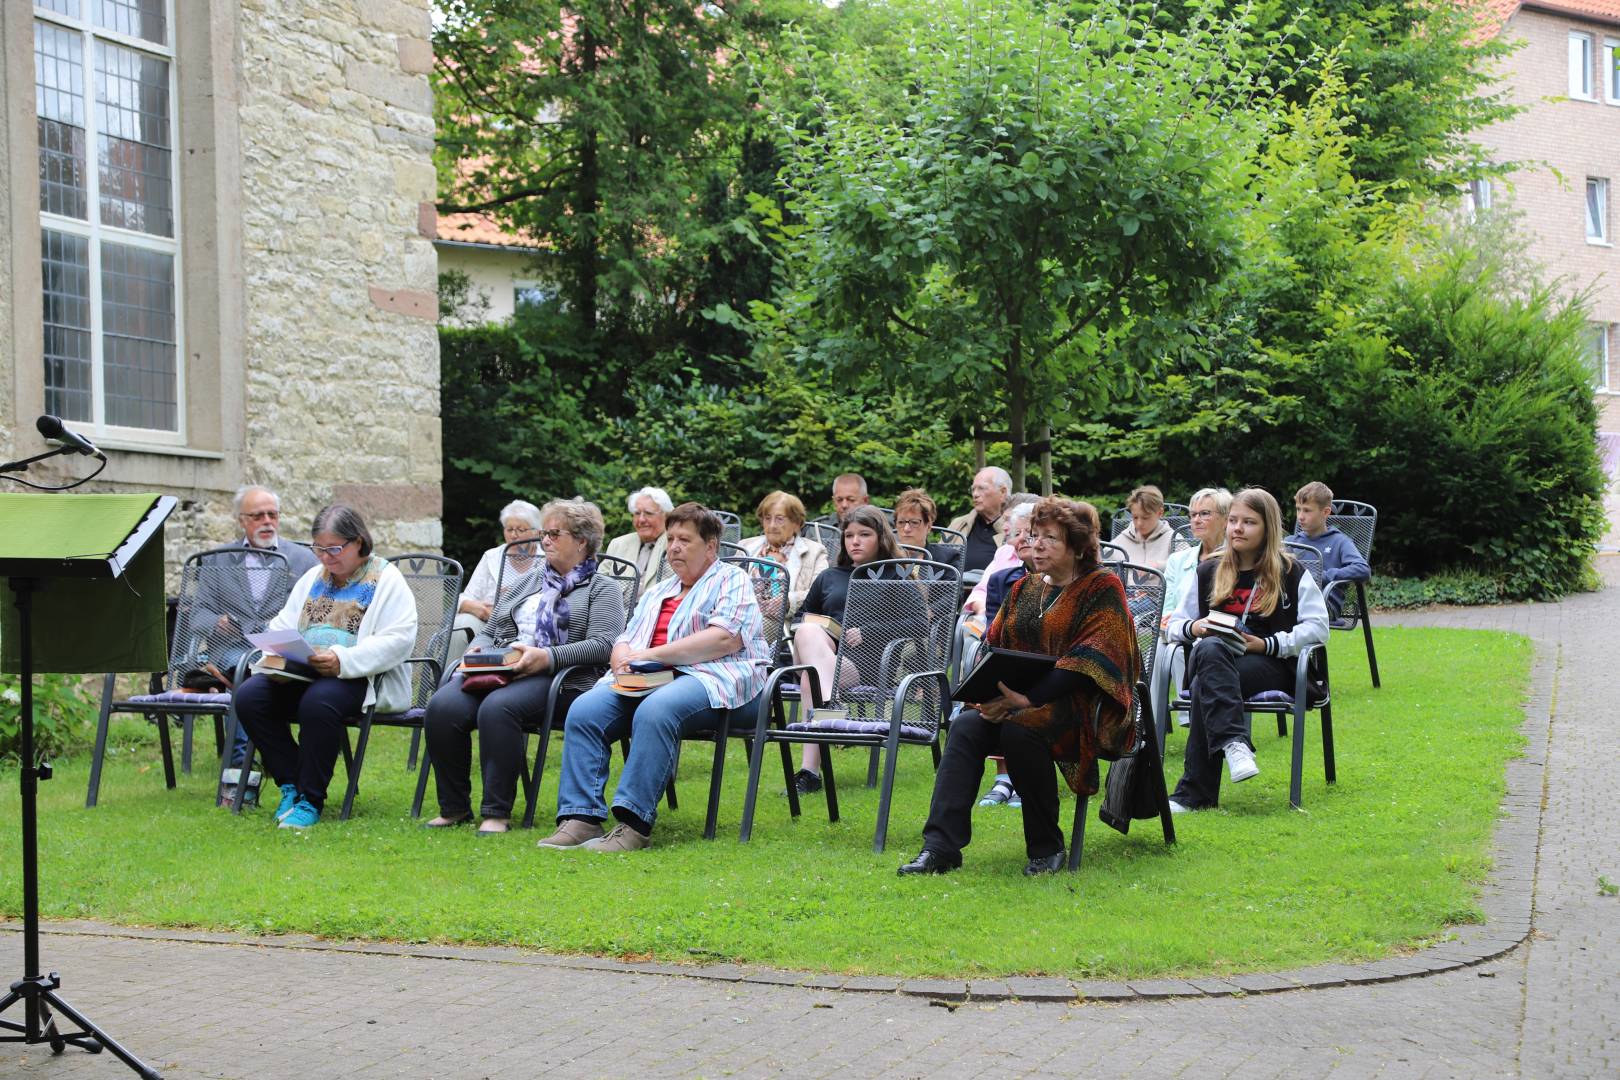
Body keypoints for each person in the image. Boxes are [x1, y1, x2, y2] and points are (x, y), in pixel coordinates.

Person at [899, 498, 1140, 876]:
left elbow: (1090, 659)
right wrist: (987, 697)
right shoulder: (1024, 589)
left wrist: (1026, 700)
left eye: (1050, 538)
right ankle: (940, 847)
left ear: (1077, 547)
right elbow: (995, 648)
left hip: (1080, 706)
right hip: (1015, 702)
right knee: (964, 726)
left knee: (1020, 727)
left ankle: (1046, 846)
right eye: (1034, 535)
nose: (1037, 544)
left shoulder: (1102, 587)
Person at [538, 503, 770, 852]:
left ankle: (633, 825)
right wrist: (621, 660)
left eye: (684, 540)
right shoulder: (660, 590)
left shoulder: (731, 580)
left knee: (657, 710)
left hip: (715, 680)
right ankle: (581, 817)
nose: (673, 547)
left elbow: (723, 639)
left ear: (710, 547)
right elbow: (625, 638)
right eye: (671, 538)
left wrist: (650, 656)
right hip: (647, 680)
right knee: (585, 710)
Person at [422, 499, 625, 835]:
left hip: (561, 677)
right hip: (503, 667)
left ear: (581, 541)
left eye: (554, 534)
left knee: (498, 709)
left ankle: (496, 812)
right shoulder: (530, 581)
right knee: (442, 706)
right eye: (544, 533)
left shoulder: (602, 589)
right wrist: (479, 650)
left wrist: (548, 657)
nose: (544, 541)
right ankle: (454, 807)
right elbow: (492, 629)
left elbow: (605, 644)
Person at [232, 505, 419, 830]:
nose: (326, 558)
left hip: (358, 676)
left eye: (334, 549)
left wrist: (341, 660)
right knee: (250, 696)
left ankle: (311, 800)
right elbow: (283, 623)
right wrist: (278, 649)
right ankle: (291, 783)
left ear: (358, 542)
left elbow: (400, 639)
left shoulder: (387, 579)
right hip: (302, 674)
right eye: (319, 549)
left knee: (319, 702)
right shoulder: (312, 578)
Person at [1164, 488, 1329, 812]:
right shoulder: (1208, 571)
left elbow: (1318, 627)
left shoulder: (1290, 572)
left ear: (1267, 528)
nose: (1237, 528)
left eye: (1249, 522)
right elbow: (1175, 623)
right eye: (1234, 521)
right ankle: (1234, 742)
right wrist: (1195, 628)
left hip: (1270, 664)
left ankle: (1194, 794)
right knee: (1211, 647)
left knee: (1202, 685)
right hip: (1216, 658)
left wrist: (1268, 643)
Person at [785, 504, 919, 794]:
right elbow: (801, 618)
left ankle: (809, 772)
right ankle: (831, 710)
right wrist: (825, 628)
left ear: (880, 537)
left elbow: (919, 623)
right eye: (849, 535)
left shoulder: (894, 575)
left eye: (864, 534)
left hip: (868, 663)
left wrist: (868, 631)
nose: (854, 541)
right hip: (820, 653)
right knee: (809, 630)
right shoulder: (830, 576)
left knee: (811, 677)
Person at [192, 486, 320, 767]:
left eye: (272, 515)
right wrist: (217, 622)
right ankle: (241, 763)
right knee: (244, 667)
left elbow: (316, 613)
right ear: (241, 520)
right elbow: (197, 615)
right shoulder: (218, 560)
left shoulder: (304, 560)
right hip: (231, 651)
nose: (267, 522)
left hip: (283, 650)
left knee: (255, 670)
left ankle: (253, 762)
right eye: (257, 516)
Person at [967, 501, 1036, 809]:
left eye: (1030, 533)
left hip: (1043, 673)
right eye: (1016, 533)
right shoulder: (1002, 578)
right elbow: (995, 634)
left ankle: (1021, 778)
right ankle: (1005, 778)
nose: (1022, 539)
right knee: (997, 675)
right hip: (1010, 661)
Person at [1155, 488, 1232, 728]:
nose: (1196, 520)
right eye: (1193, 514)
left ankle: (1190, 715)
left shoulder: (1235, 558)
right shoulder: (1179, 560)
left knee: (1178, 651)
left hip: (1216, 634)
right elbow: (1167, 604)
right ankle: (1150, 723)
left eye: (1204, 514)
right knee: (1156, 649)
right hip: (1180, 629)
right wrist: (1166, 619)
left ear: (1225, 518)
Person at [449, 500, 542, 666]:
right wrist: (475, 608)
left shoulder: (546, 559)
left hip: (526, 625)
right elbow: (465, 598)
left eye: (521, 530)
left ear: (537, 532)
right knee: (461, 623)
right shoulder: (492, 557)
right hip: (489, 623)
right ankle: (453, 676)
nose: (514, 535)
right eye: (509, 529)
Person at [738, 491, 829, 616]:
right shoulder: (745, 546)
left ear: (796, 523)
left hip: (782, 623)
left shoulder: (815, 552)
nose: (772, 525)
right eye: (767, 518)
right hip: (740, 614)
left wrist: (788, 601)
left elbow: (819, 593)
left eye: (780, 519)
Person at [1289, 481, 1370, 619]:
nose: (1300, 516)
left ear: (1326, 512)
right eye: (1298, 509)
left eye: (1307, 510)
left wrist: (1323, 576)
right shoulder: (1291, 542)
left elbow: (1362, 569)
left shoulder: (1339, 542)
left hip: (1324, 605)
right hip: (1290, 602)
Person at [605, 487, 673, 590]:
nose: (641, 520)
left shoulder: (674, 545)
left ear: (666, 516)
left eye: (648, 513)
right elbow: (599, 583)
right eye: (637, 513)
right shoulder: (618, 544)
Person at [947, 466, 1012, 573]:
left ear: (1002, 492)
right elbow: (938, 562)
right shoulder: (958, 524)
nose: (975, 494)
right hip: (954, 588)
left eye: (981, 488)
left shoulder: (1015, 529)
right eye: (973, 489)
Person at [1112, 485, 1175, 570]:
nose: (1139, 523)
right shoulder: (1121, 540)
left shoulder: (1173, 538)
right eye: (1135, 517)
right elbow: (1101, 562)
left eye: (1145, 517)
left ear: (1160, 513)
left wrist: (1158, 566)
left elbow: (1188, 564)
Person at [891, 488, 958, 566]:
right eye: (901, 522)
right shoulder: (886, 558)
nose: (906, 529)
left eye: (914, 522)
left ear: (928, 526)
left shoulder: (947, 559)